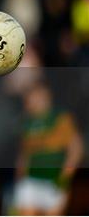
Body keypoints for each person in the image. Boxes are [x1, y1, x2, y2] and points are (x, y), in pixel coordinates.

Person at [13, 81, 84, 215]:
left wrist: (64, 177)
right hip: (31, 181)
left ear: (46, 96)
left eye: (35, 97)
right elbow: (24, 153)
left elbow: (76, 149)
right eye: (28, 98)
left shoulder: (61, 118)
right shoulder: (26, 122)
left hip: (54, 181)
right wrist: (20, 176)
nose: (31, 102)